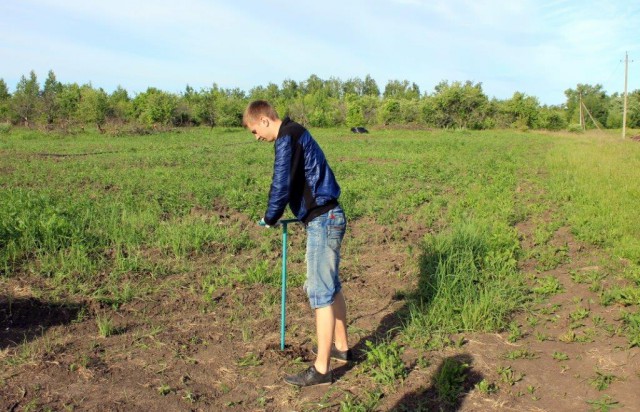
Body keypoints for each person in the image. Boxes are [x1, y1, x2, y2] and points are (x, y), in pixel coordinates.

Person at [243, 100, 353, 387]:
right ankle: (340, 347)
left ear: (265, 120)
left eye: (255, 131)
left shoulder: (287, 137)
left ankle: (321, 370)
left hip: (322, 219)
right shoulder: (294, 132)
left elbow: (281, 183)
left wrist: (270, 218)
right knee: (331, 287)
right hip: (328, 216)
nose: (257, 138)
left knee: (320, 293)